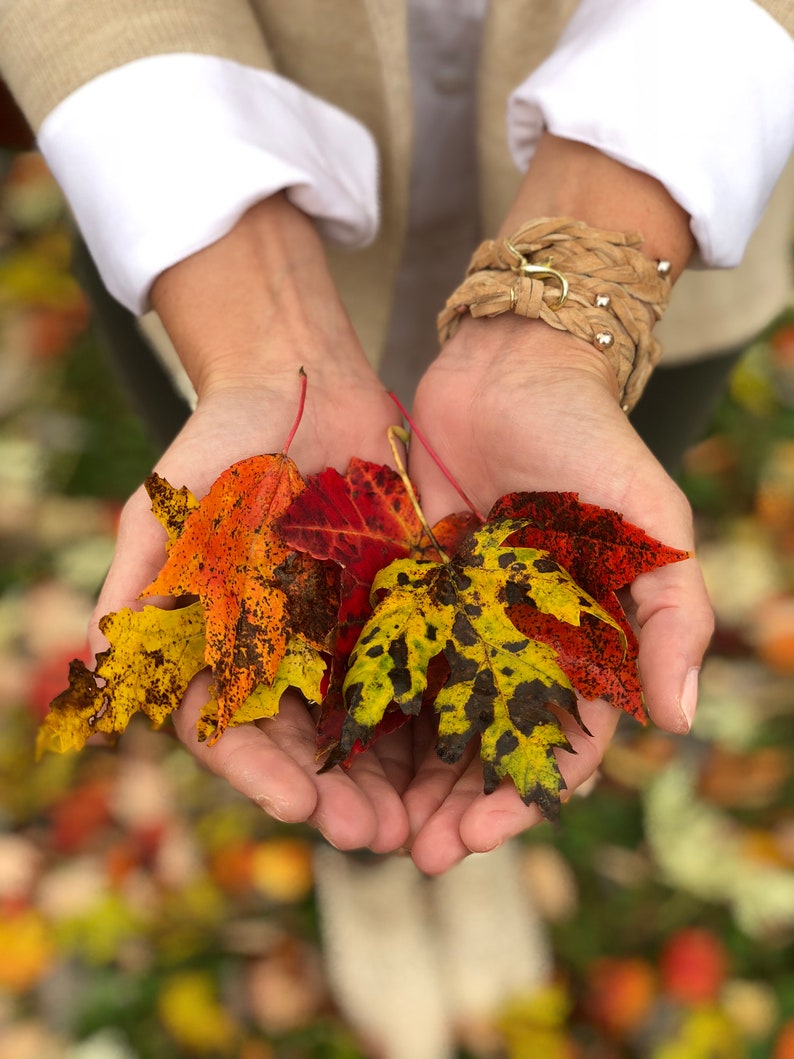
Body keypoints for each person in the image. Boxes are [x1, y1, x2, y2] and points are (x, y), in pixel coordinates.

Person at [0, 0, 792, 883]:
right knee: (319, 753)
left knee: (399, 747)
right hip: (208, 261)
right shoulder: (279, 492)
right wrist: (250, 318)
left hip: (647, 279)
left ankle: (437, 868)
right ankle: (367, 870)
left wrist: (568, 323)